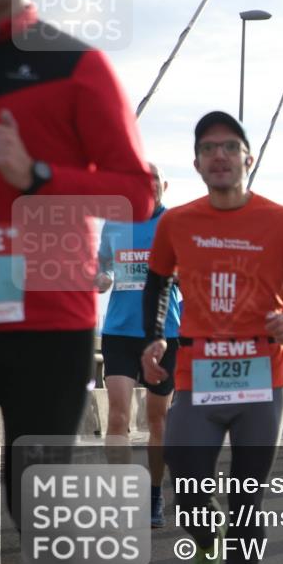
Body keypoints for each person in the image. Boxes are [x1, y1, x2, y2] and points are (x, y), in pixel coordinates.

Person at [0, 0, 154, 564]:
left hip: (46, 320)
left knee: (38, 499)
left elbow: (137, 195)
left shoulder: (77, 64)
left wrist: (38, 175)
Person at [141, 110, 283, 564]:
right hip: (197, 372)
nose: (218, 155)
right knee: (184, 475)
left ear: (249, 157)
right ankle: (205, 546)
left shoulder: (281, 219)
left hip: (262, 376)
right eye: (207, 148)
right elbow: (157, 280)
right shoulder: (178, 221)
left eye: (228, 146)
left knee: (247, 500)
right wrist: (155, 336)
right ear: (197, 163)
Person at [97, 164, 181, 527]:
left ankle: (154, 495)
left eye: (153, 184)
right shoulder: (114, 224)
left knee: (157, 420)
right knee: (117, 415)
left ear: (163, 186)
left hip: (164, 333)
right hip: (118, 330)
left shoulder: (176, 224)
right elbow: (101, 267)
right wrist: (100, 277)